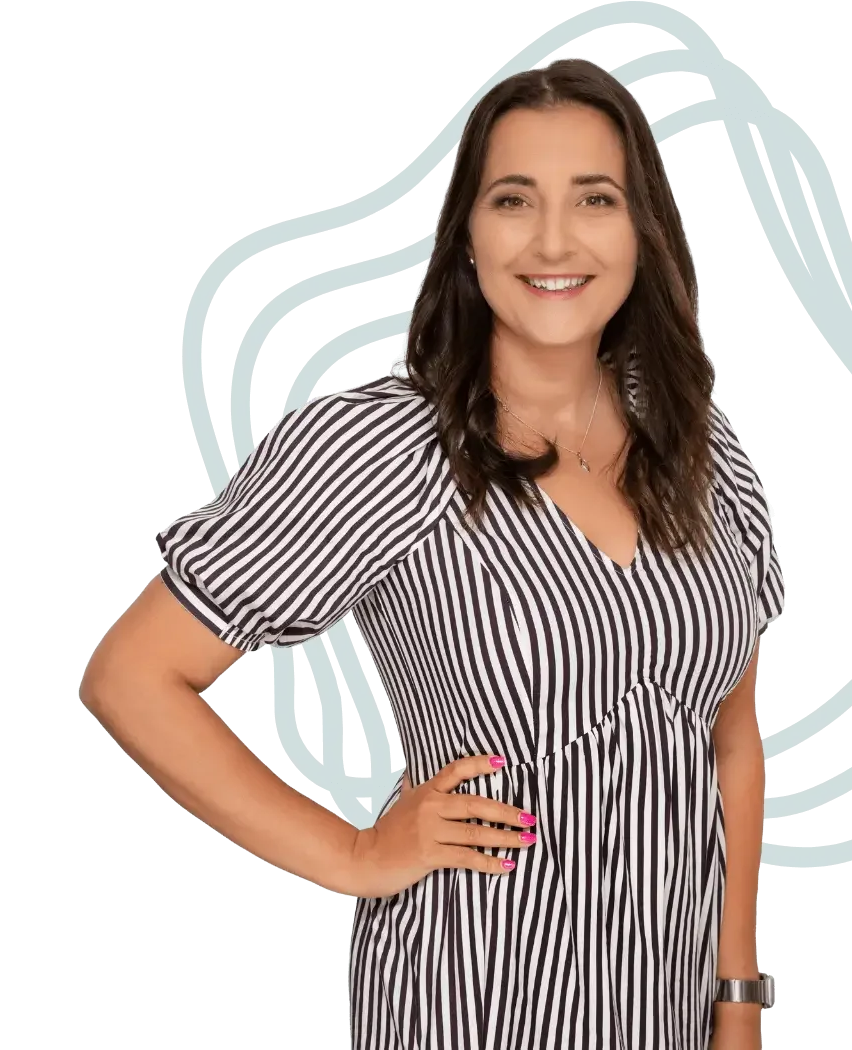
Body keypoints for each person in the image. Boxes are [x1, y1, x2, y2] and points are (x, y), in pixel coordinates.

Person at [80, 58, 785, 1049]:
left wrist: (737, 996)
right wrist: (352, 854)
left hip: (667, 1014)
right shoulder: (380, 447)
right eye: (513, 200)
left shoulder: (703, 451)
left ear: (643, 232)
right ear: (466, 237)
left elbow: (730, 742)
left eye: (593, 198)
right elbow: (134, 676)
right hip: (468, 1002)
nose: (553, 240)